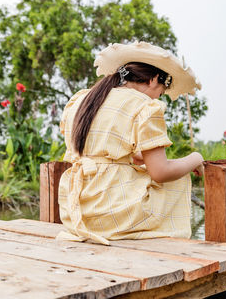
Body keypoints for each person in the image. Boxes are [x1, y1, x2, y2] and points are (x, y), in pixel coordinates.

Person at [56, 41, 203, 245]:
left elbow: (100, 152)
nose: (158, 97)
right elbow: (160, 172)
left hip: (76, 211)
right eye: (160, 92)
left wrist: (138, 157)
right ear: (153, 80)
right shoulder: (146, 106)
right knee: (176, 180)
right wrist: (195, 158)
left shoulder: (83, 99)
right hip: (112, 213)